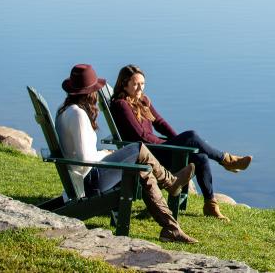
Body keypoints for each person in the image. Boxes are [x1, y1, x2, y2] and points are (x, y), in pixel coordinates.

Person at [55, 64, 197, 243]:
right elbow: (85, 160)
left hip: (81, 178)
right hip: (89, 183)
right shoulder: (78, 115)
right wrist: (104, 155)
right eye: (95, 91)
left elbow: (79, 153)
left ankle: (170, 228)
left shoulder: (64, 109)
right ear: (90, 92)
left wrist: (103, 152)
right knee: (138, 149)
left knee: (142, 169)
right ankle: (170, 182)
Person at [110, 64, 251, 222]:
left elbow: (160, 123)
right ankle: (227, 160)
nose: (140, 88)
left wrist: (180, 143)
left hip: (156, 149)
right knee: (191, 135)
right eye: (135, 84)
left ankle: (210, 205)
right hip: (147, 154)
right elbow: (141, 136)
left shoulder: (142, 100)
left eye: (142, 84)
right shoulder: (121, 105)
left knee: (201, 157)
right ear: (124, 83)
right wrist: (177, 144)